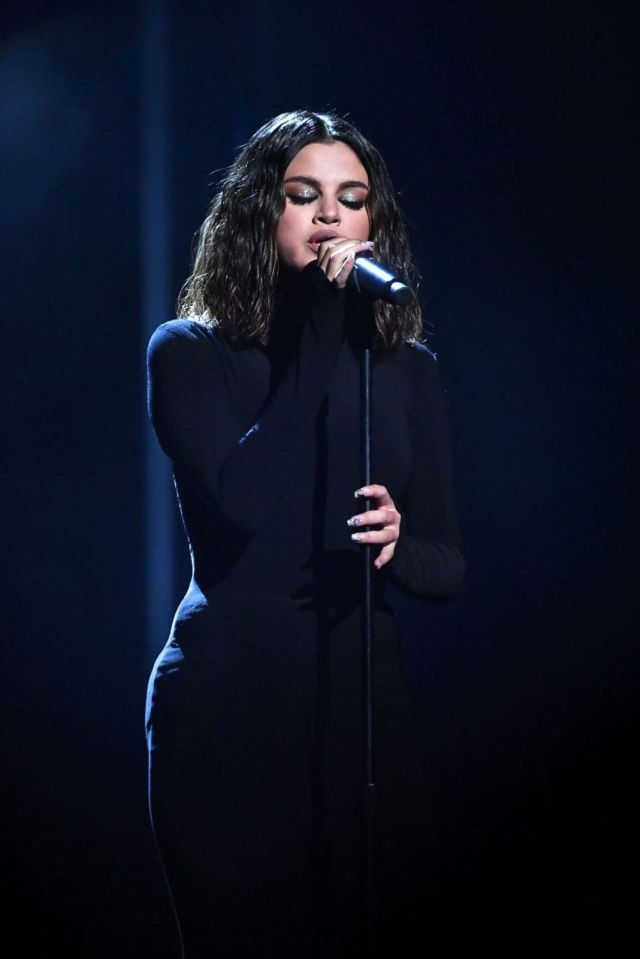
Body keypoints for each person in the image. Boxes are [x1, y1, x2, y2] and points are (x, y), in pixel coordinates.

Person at [145, 110, 465, 958]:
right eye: (303, 194)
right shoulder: (190, 353)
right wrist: (324, 321)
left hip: (362, 711)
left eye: (351, 198)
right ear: (262, 211)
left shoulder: (407, 370)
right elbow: (242, 505)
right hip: (227, 711)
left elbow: (446, 564)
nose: (330, 214)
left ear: (374, 221)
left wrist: (398, 543)